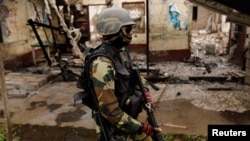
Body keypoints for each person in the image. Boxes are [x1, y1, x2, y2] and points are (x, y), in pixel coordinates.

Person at [77, 7, 161, 141]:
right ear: (115, 30)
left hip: (127, 119)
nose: (131, 33)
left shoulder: (120, 53)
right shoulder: (102, 65)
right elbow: (111, 112)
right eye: (128, 29)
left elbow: (134, 74)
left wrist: (145, 91)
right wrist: (141, 127)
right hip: (114, 128)